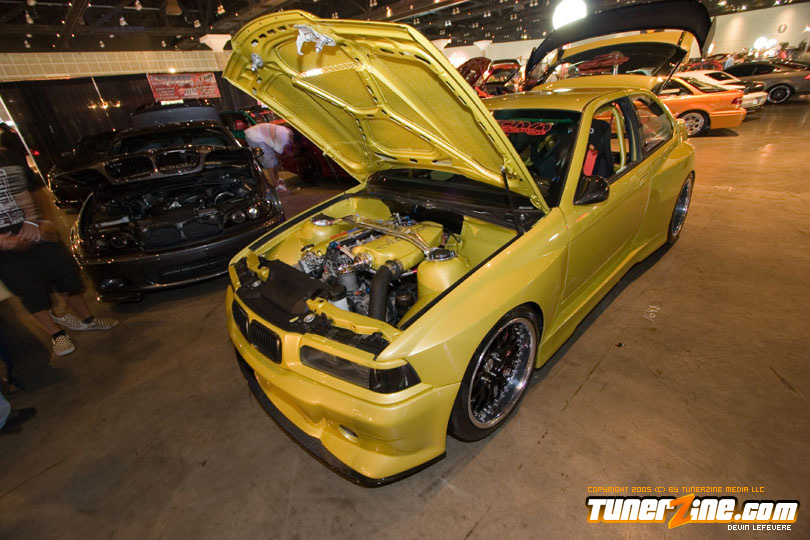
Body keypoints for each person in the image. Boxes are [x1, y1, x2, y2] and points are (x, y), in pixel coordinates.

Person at [0, 148, 118, 356]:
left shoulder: (6, 156)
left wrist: (43, 221)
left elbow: (36, 191)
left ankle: (87, 320)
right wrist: (3, 241)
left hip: (36, 228)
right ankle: (57, 334)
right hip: (5, 245)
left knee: (65, 273)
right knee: (28, 289)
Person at [243, 122, 293, 193]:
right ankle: (276, 186)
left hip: (254, 135)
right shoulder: (285, 137)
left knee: (273, 160)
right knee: (269, 161)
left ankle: (277, 180)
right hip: (254, 137)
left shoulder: (285, 131)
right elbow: (278, 155)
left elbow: (277, 153)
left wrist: (278, 163)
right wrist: (279, 163)